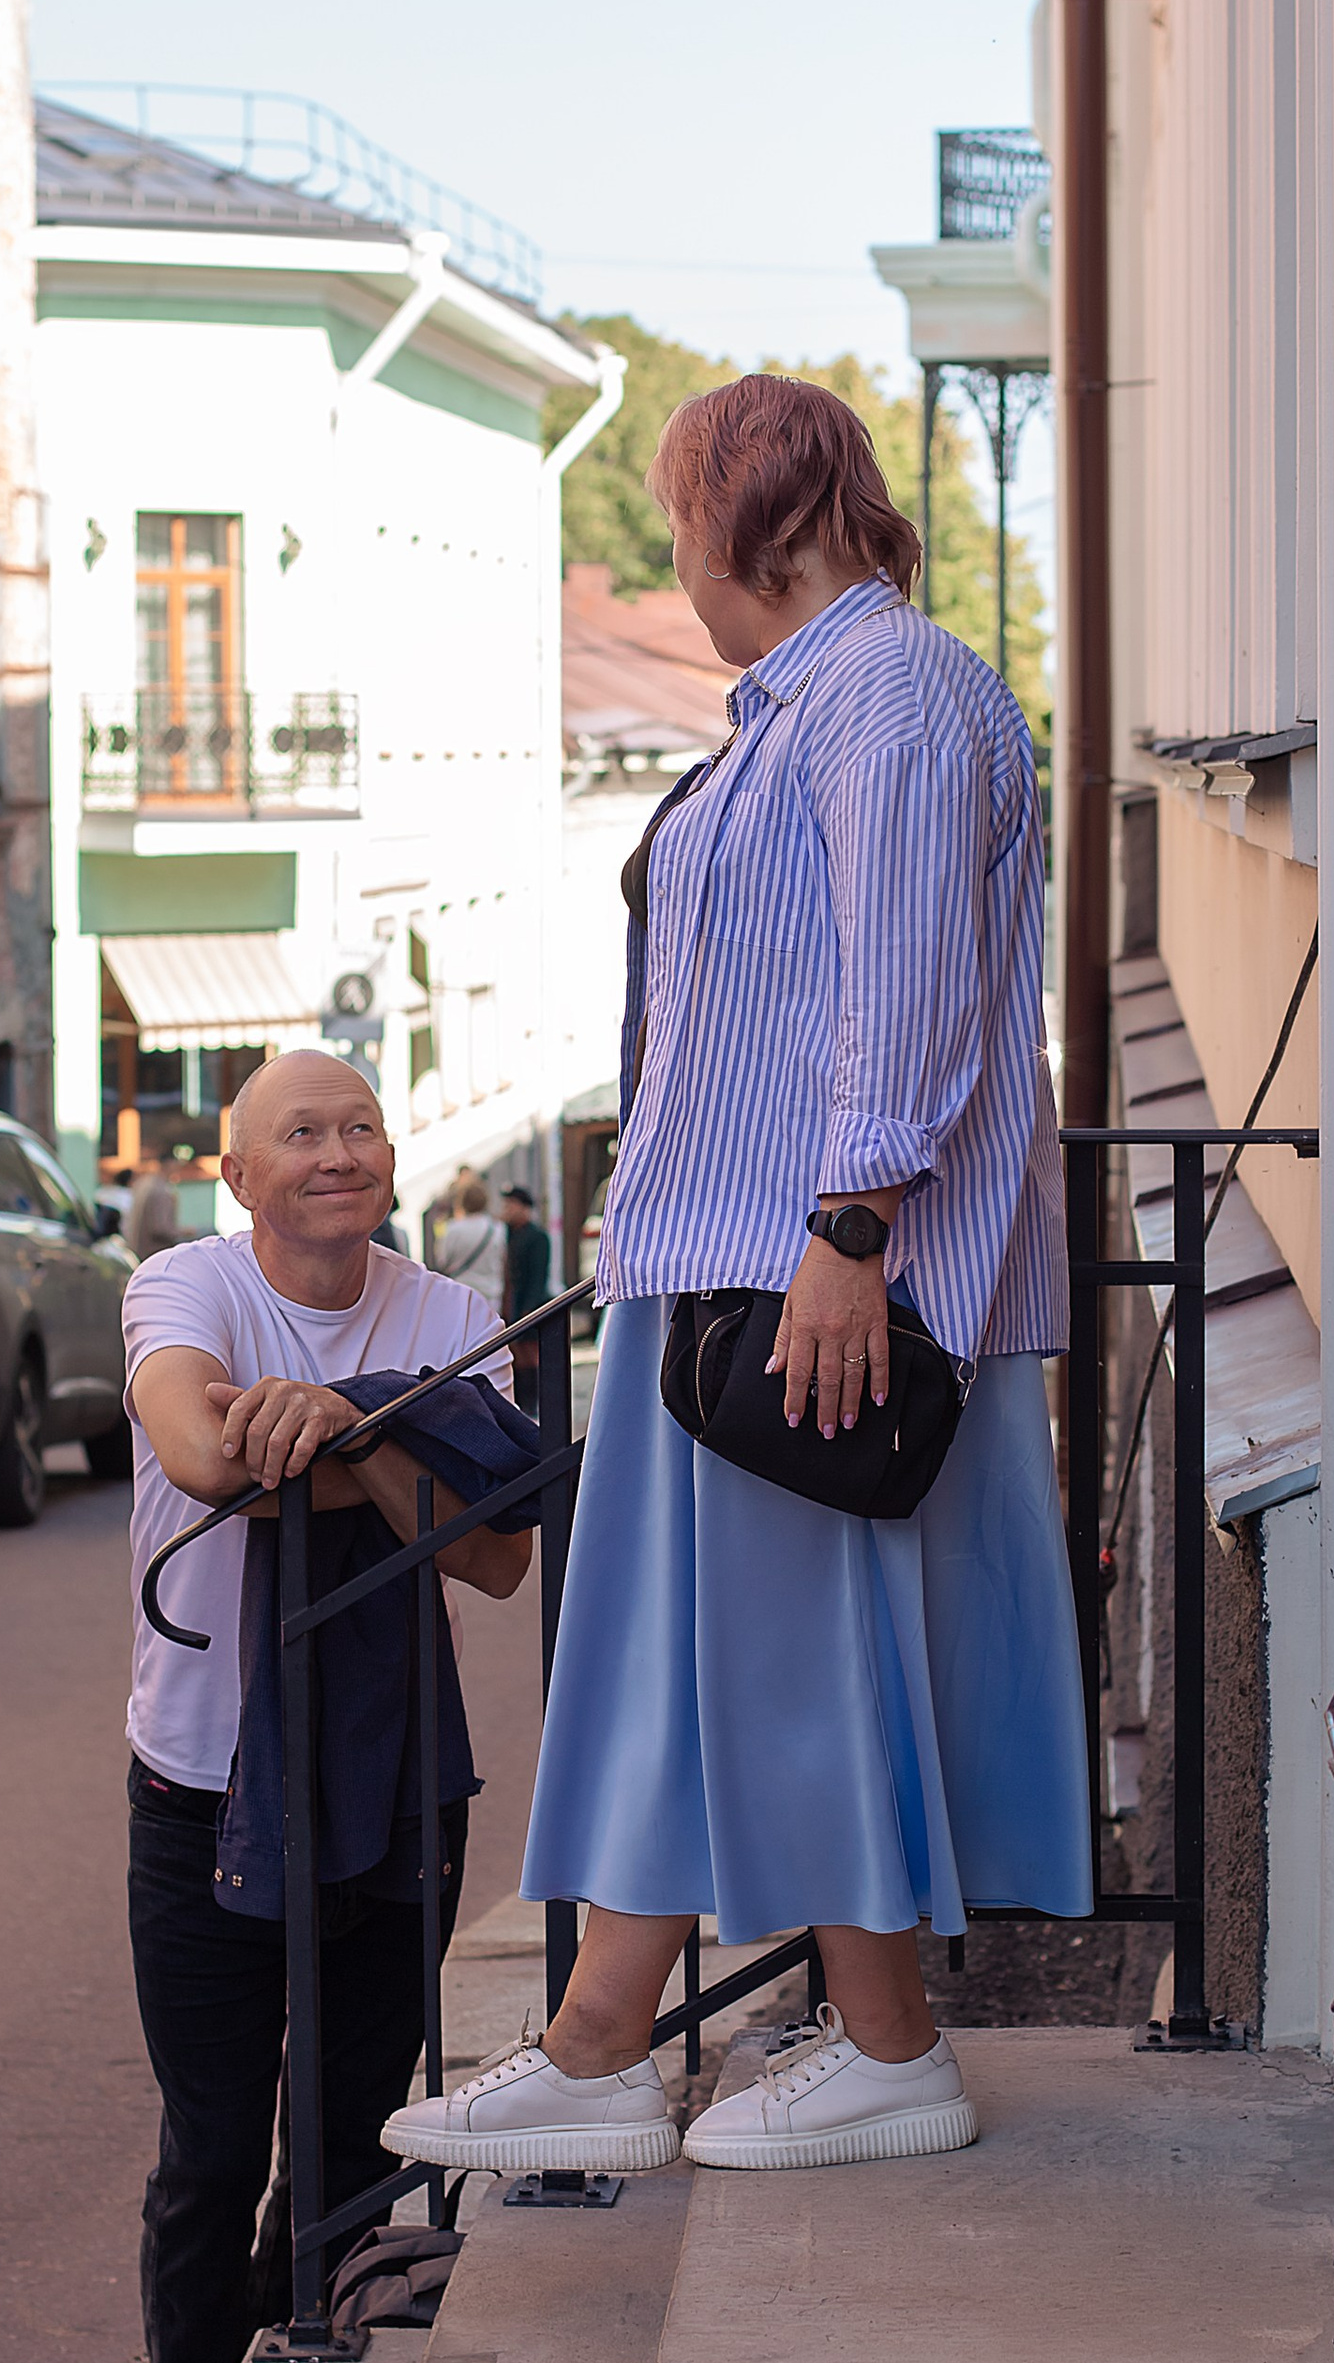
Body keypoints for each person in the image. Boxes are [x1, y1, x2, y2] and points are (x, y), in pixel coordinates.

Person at [385, 374, 1087, 2192]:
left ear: (746, 522)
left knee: (799, 1678)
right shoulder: (815, 710)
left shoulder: (896, 702)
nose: (678, 579)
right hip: (728, 1271)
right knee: (710, 1681)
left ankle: (876, 2050)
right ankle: (609, 2047)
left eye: (681, 536)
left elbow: (909, 985)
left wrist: (850, 1234)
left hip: (815, 1289)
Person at [120, 1050, 531, 2363]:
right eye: (301, 1134)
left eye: (360, 1126)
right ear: (240, 1176)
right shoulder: (186, 1287)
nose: (337, 1152)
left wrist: (349, 1424)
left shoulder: (455, 1314)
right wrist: (390, 1429)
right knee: (217, 2147)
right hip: (200, 1783)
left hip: (390, 1779)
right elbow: (196, 1448)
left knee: (354, 2136)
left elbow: (489, 1554)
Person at [500, 1180, 554, 1412]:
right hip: (512, 1304)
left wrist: (529, 1308)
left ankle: (534, 1404)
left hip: (529, 1306)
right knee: (515, 1355)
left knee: (530, 1356)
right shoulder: (509, 1235)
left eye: (512, 1204)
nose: (507, 1209)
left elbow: (537, 1276)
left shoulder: (537, 1237)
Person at [430, 1170, 505, 1320]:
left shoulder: (452, 1229)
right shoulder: (497, 1228)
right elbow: (501, 1259)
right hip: (491, 1293)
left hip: (462, 1292)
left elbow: (442, 1261)